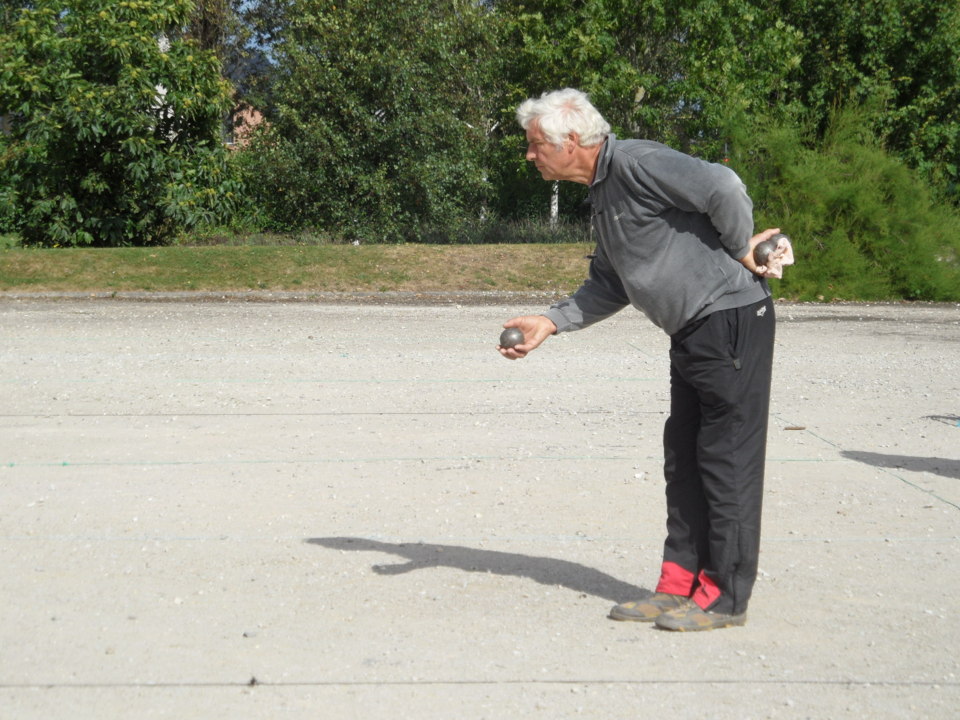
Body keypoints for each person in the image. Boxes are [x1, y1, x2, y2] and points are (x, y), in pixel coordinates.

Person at [498, 88, 780, 631]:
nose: (529, 155)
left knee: (725, 459)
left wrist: (742, 247)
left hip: (730, 320)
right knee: (684, 458)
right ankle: (678, 586)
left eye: (535, 145)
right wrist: (550, 322)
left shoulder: (636, 163)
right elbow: (610, 283)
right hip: (693, 331)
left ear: (571, 140)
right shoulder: (602, 195)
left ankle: (724, 598)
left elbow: (722, 184)